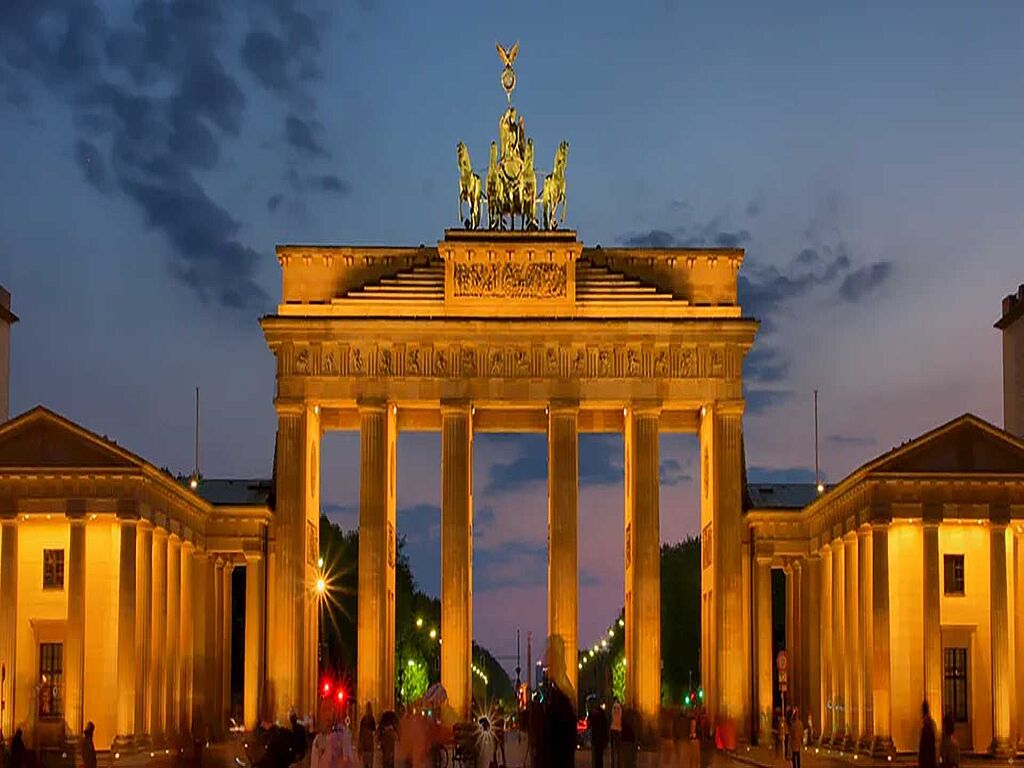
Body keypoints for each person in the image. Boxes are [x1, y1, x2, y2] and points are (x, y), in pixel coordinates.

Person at [588, 702, 609, 768]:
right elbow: (605, 728)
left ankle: (596, 766)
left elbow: (590, 724)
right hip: (601, 738)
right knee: (600, 756)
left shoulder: (594, 716)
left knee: (596, 755)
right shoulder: (602, 716)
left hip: (595, 738)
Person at [919, 701, 937, 768]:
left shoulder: (927, 723)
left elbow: (924, 742)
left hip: (927, 756)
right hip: (930, 755)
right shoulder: (931, 722)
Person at [358, 703, 377, 768]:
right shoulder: (372, 719)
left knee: (365, 765)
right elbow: (374, 732)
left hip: (364, 747)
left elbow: (360, 734)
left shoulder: (363, 720)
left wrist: (360, 747)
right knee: (370, 765)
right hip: (370, 747)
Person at [609, 701, 623, 768]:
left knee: (613, 749)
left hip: (613, 728)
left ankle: (613, 764)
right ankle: (618, 764)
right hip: (619, 729)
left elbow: (611, 717)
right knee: (619, 749)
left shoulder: (613, 708)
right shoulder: (620, 708)